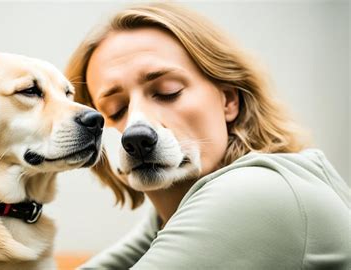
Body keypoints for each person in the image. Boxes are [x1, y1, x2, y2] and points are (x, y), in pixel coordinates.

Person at [65, 3, 349, 269]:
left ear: (228, 100)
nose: (135, 129)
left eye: (168, 92)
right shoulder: (171, 213)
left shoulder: (255, 192)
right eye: (116, 110)